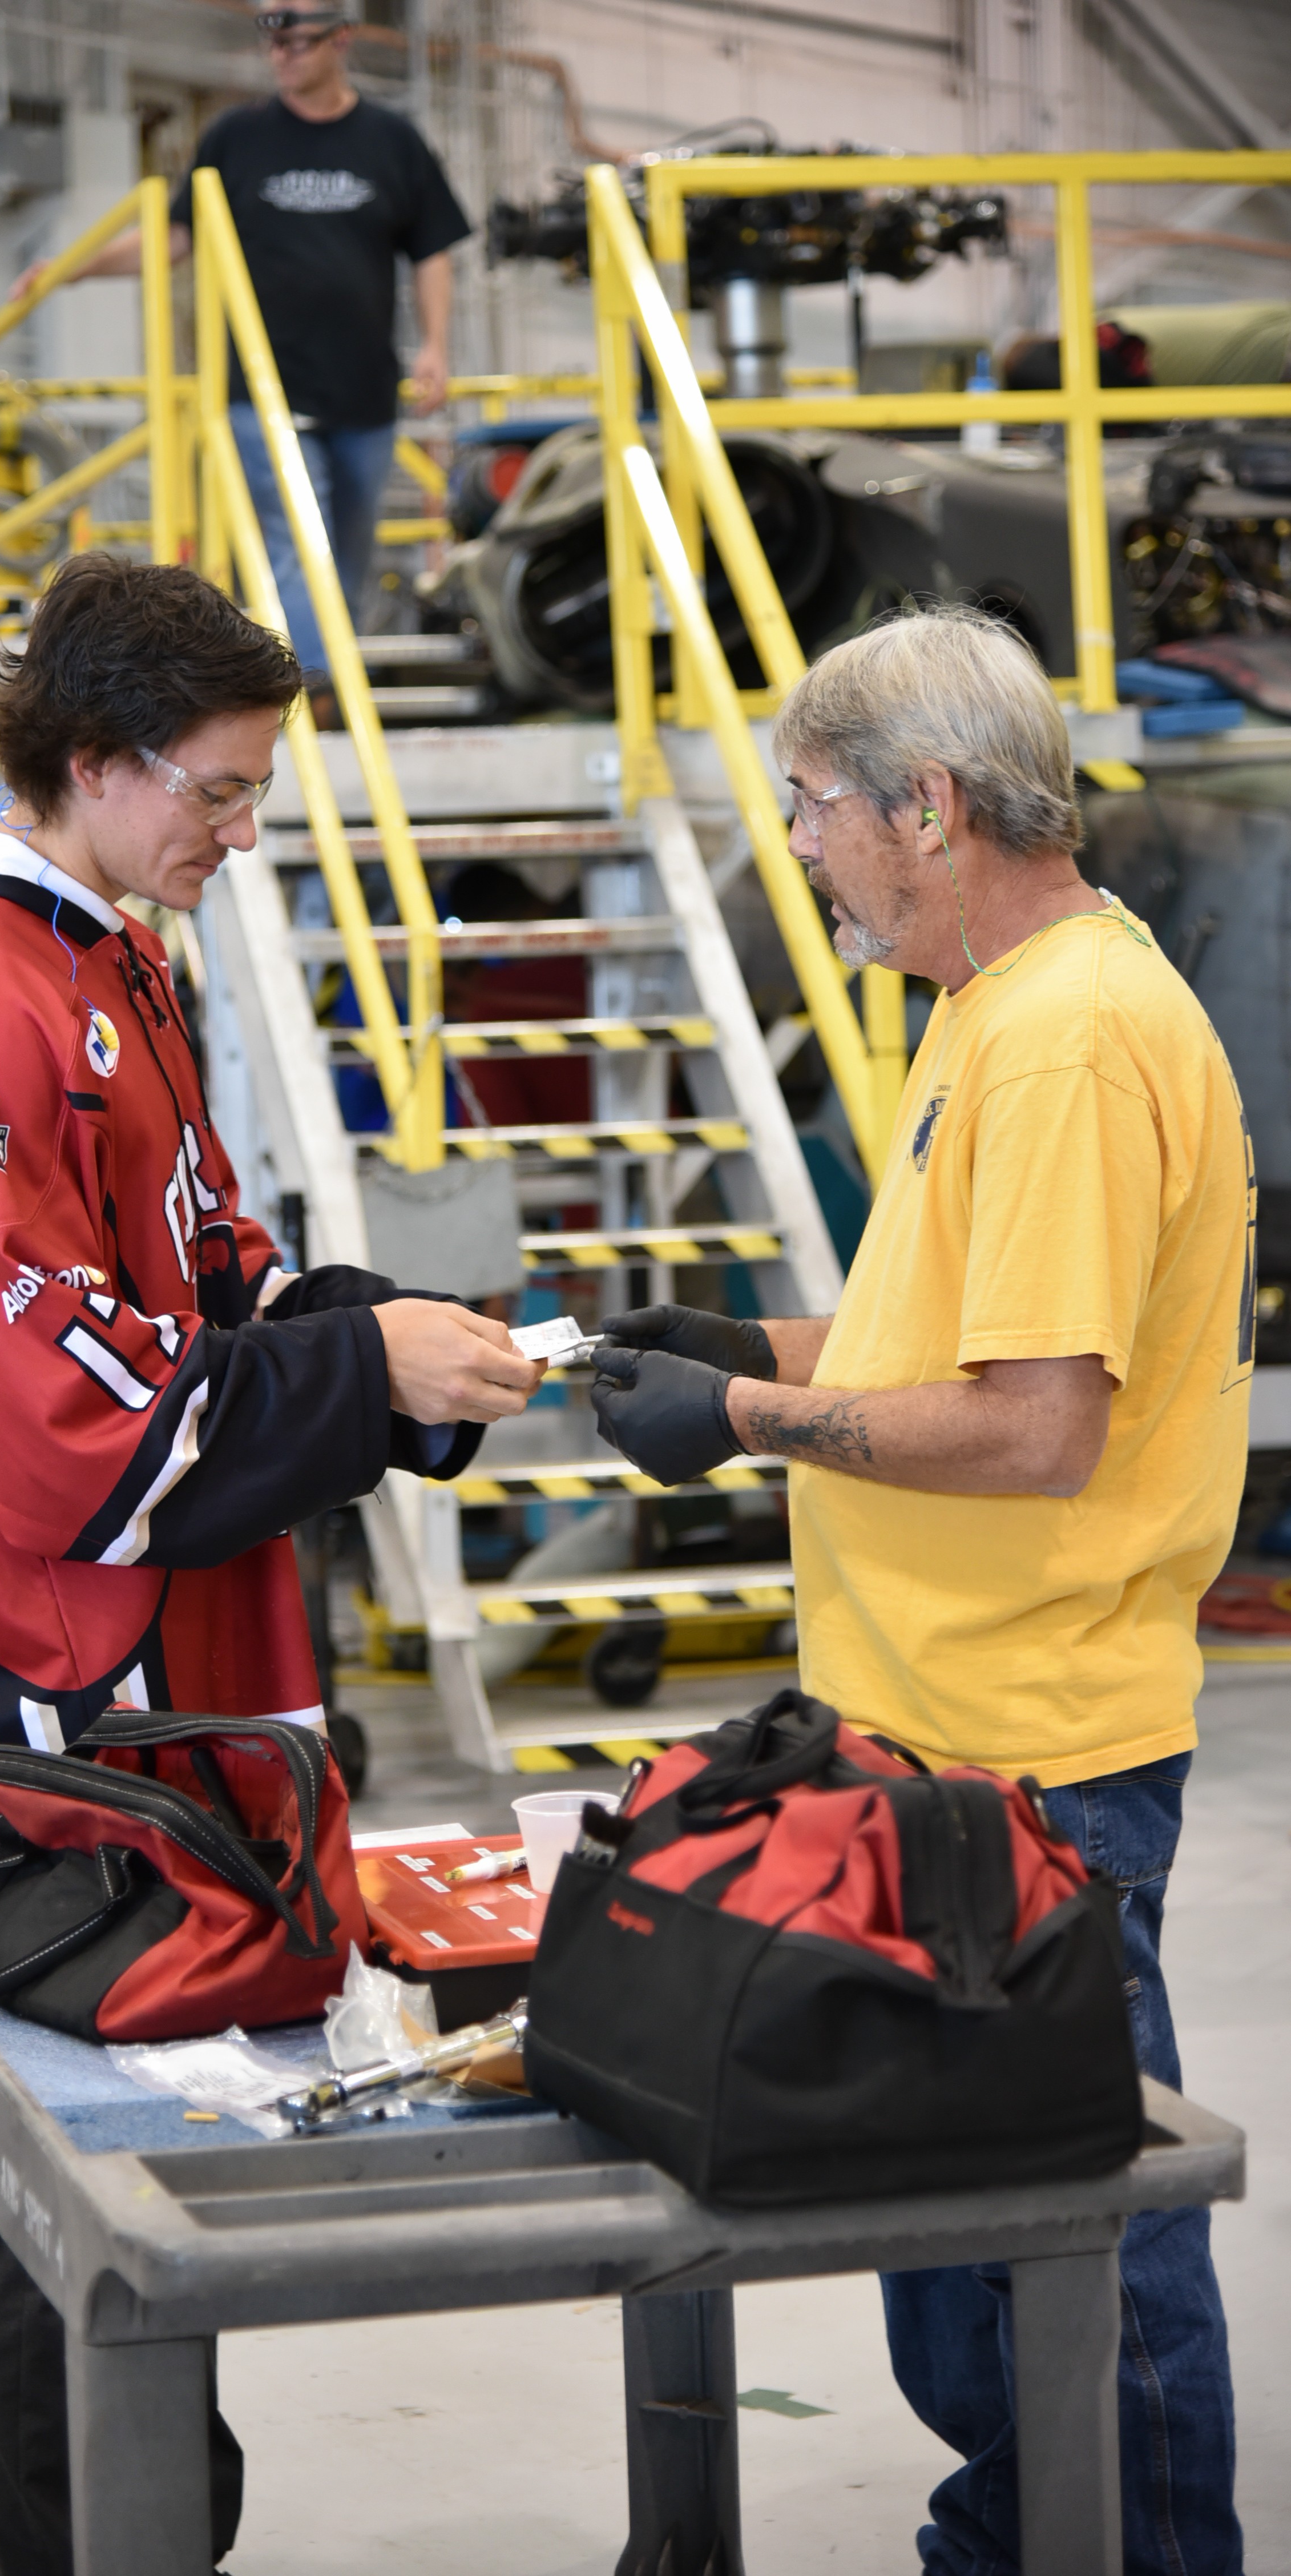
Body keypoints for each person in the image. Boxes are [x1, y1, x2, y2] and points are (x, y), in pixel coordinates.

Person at [0, 552, 539, 2573]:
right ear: (94, 763)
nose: (241, 837)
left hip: (171, 1703)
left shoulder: (114, 957)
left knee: (145, 2251)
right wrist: (350, 1375)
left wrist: (391, 1341)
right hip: (60, 1713)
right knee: (60, 2254)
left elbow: (204, 1262)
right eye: (218, 795)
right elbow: (81, 1434)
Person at [588, 604, 1249, 2576]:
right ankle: (1014, 2533)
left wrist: (751, 1420)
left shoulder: (1060, 1043)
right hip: (935, 1727)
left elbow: (1034, 1426)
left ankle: (1118, 2552)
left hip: (1023, 1754)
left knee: (1078, 2250)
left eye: (806, 807)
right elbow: (943, 1329)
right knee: (962, 2237)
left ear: (924, 806)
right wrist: (749, 1343)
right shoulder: (989, 1011)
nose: (797, 846)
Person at [10, 3, 469, 686]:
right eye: (271, 42)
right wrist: (74, 266)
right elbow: (173, 236)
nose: (281, 55)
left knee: (343, 558)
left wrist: (435, 346)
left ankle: (324, 682)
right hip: (261, 389)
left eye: (298, 42)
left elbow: (432, 250)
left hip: (362, 394)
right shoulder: (238, 139)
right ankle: (311, 689)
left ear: (341, 40)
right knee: (297, 542)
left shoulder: (392, 142)